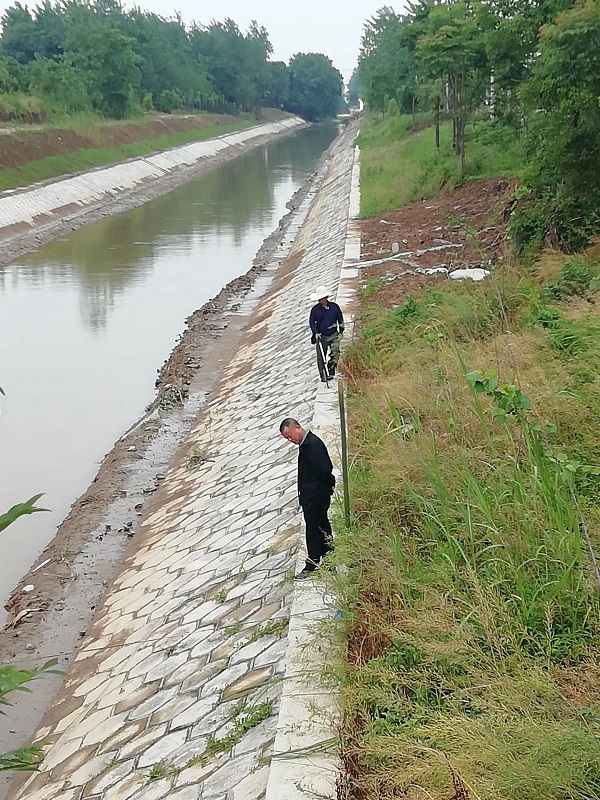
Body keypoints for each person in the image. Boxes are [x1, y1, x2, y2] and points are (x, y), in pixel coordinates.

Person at [279, 417, 335, 577]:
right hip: (313, 495)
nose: (290, 440)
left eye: (290, 436)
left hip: (316, 496)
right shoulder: (307, 445)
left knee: (313, 530)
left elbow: (325, 470)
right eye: (287, 438)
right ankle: (330, 556)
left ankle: (313, 563)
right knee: (322, 526)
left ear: (297, 427)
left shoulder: (312, 445)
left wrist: (326, 487)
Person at [309, 286, 344, 383]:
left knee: (335, 352)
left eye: (323, 298)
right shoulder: (315, 310)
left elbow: (340, 319)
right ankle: (323, 375)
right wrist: (315, 333)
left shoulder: (334, 307)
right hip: (321, 336)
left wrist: (341, 331)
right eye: (320, 299)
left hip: (333, 334)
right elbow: (312, 322)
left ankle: (331, 370)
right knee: (321, 357)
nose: (322, 301)